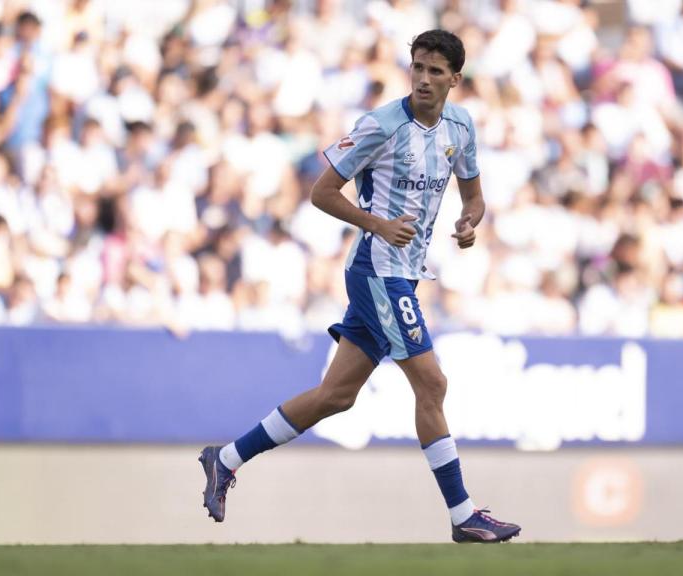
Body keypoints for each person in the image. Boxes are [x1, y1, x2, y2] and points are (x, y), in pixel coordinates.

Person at [198, 30, 521, 543]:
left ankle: (226, 458)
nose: (423, 78)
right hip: (377, 270)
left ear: (455, 79)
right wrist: (376, 224)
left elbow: (474, 196)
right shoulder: (382, 125)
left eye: (436, 71)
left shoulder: (460, 125)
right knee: (433, 384)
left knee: (336, 395)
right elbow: (321, 192)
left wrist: (469, 222)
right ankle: (463, 515)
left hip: (406, 274)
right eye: (417, 67)